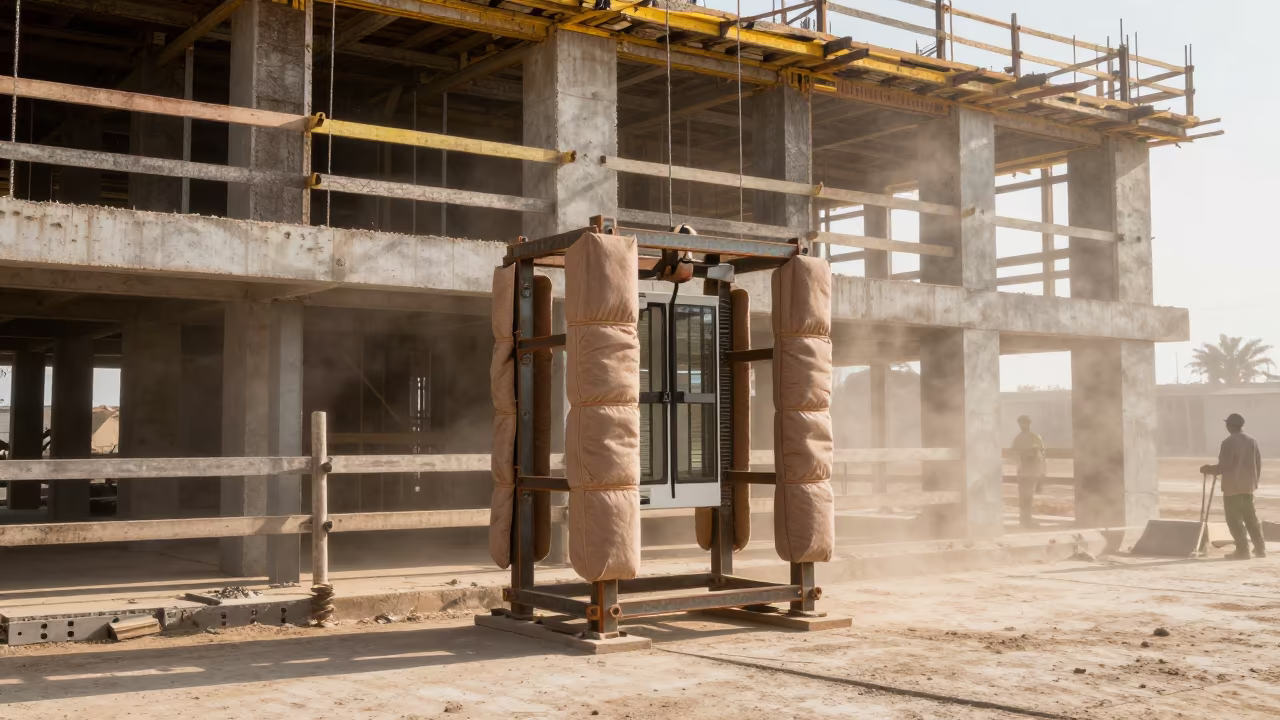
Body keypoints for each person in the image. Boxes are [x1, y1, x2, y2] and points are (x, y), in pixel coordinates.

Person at [1201, 413, 1266, 559]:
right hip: (1248, 487)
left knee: (1234, 520)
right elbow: (1258, 464)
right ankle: (1260, 549)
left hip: (1233, 489)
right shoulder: (1252, 440)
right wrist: (1253, 482)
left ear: (1229, 425)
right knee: (1250, 518)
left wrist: (1207, 469)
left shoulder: (1228, 442)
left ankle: (1242, 551)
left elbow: (1223, 467)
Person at [1011, 415, 1045, 528]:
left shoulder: (1033, 437)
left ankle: (1026, 520)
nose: (1022, 426)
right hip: (1024, 471)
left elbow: (1040, 454)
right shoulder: (1020, 439)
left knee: (1027, 496)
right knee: (1024, 496)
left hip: (1030, 471)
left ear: (1029, 424)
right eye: (1021, 423)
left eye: (1024, 423)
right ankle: (1024, 520)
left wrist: (1041, 471)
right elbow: (1015, 454)